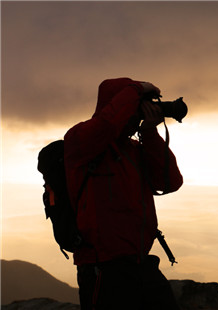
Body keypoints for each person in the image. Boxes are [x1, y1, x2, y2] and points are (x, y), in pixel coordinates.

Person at [64, 77, 183, 309]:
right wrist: (137, 90)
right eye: (137, 107)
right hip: (103, 267)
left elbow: (170, 182)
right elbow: (106, 125)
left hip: (140, 263)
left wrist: (150, 134)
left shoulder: (135, 149)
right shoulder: (80, 141)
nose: (138, 113)